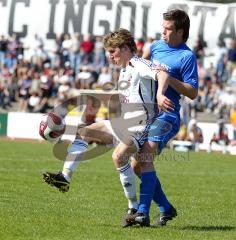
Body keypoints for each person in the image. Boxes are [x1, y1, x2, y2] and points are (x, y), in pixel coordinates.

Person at [42, 29, 174, 226]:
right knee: (83, 132)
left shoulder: (139, 64)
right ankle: (65, 178)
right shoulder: (123, 69)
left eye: (113, 51)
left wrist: (160, 94)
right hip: (123, 123)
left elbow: (162, 73)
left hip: (141, 126)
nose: (110, 56)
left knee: (119, 157)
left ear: (125, 48)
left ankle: (133, 207)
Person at [125, 9, 198, 227]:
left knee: (146, 154)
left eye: (168, 29)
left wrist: (168, 79)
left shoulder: (187, 57)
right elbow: (142, 69)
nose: (163, 33)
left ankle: (142, 212)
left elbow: (192, 92)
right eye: (163, 28)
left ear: (180, 31)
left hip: (168, 114)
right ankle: (166, 208)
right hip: (147, 113)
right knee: (136, 164)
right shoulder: (155, 47)